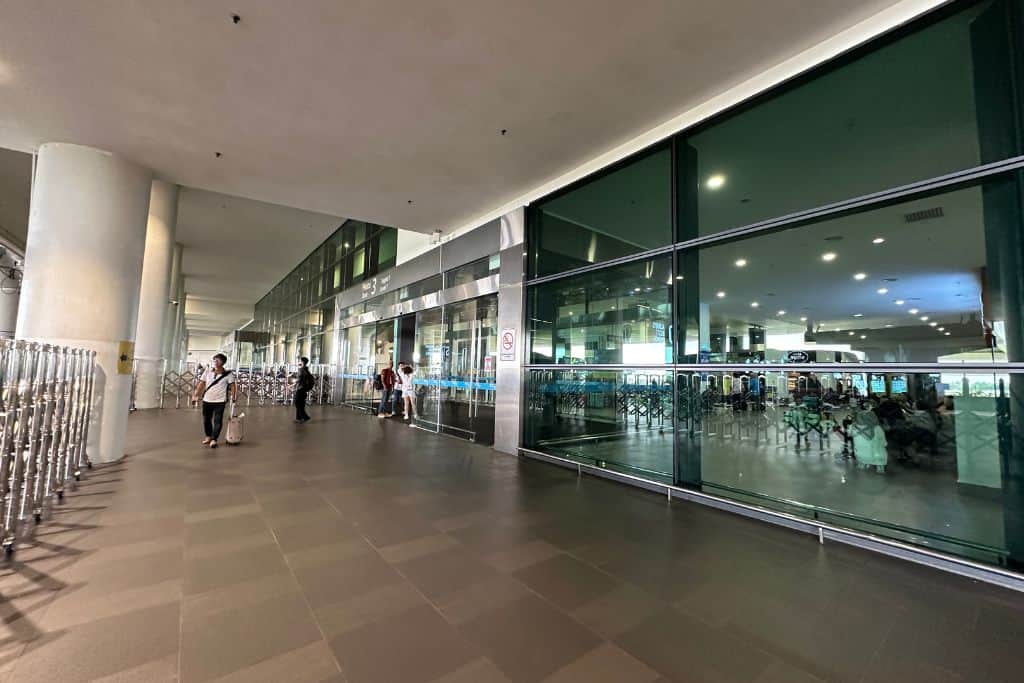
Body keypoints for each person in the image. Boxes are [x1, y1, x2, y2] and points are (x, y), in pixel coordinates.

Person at [193, 353, 237, 449]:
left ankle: (214, 439)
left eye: (218, 360)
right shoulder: (208, 371)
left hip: (220, 401)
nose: (216, 362)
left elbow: (233, 386)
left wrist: (234, 397)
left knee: (217, 420)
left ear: (223, 362)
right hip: (207, 400)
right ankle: (208, 436)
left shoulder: (228, 374)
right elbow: (202, 383)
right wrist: (196, 394)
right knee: (206, 420)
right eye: (215, 360)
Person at [295, 357, 314, 423]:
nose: (299, 362)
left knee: (297, 402)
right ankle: (299, 418)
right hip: (304, 389)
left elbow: (299, 379)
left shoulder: (301, 370)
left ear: (302, 362)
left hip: (300, 388)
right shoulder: (306, 370)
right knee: (301, 403)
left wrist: (291, 385)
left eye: (300, 361)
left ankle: (305, 417)